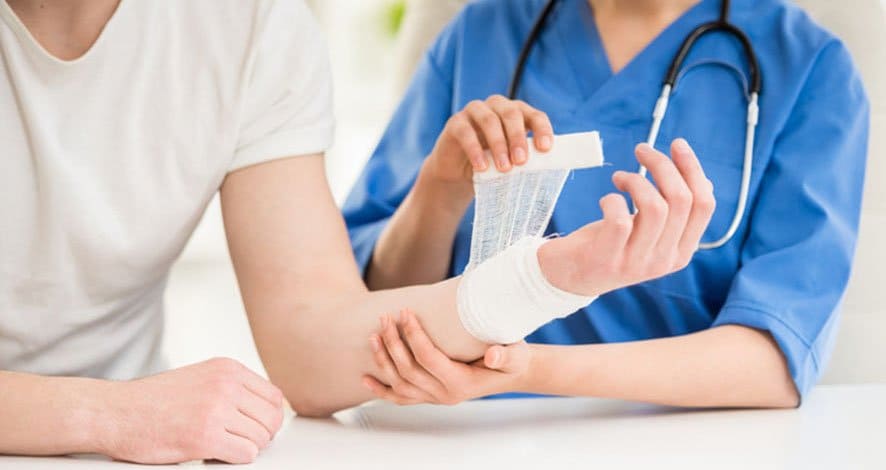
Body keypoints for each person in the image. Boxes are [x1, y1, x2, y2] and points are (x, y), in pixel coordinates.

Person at [0, 0, 714, 464]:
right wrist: (104, 412)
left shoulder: (252, 27)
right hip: (117, 432)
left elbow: (313, 353)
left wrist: (553, 276)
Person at [343, 0, 869, 406]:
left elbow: (775, 359)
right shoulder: (482, 31)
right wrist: (440, 188)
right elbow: (370, 303)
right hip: (446, 432)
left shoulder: (808, 66)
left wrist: (525, 372)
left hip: (675, 444)